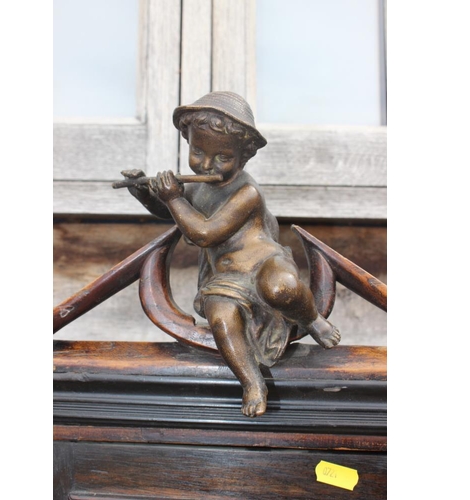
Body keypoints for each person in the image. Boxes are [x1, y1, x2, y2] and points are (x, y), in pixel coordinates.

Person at [123, 91, 340, 417]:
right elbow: (169, 212)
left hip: (263, 264)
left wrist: (173, 199)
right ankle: (252, 381)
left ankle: (311, 318)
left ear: (244, 157)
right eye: (198, 152)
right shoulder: (196, 187)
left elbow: (204, 233)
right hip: (224, 277)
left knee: (281, 288)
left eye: (222, 157)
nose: (206, 164)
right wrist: (145, 193)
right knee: (222, 321)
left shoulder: (246, 192)